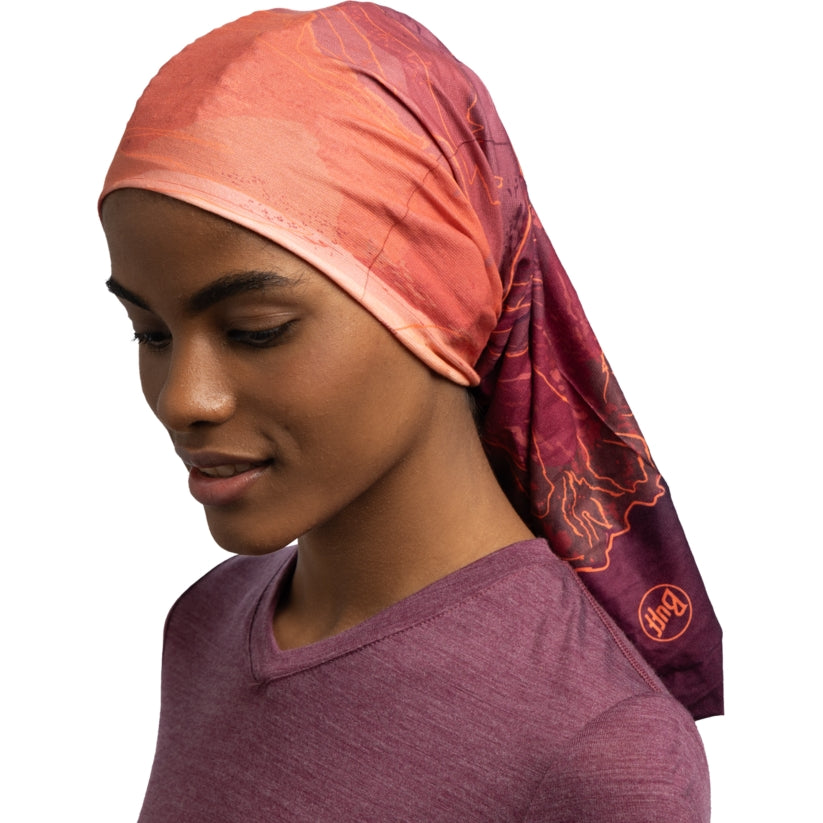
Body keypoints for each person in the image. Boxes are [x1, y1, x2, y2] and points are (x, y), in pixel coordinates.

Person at [100, 3, 721, 820]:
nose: (183, 398)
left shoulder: (599, 749)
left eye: (256, 329)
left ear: (440, 304)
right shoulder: (205, 624)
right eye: (149, 331)